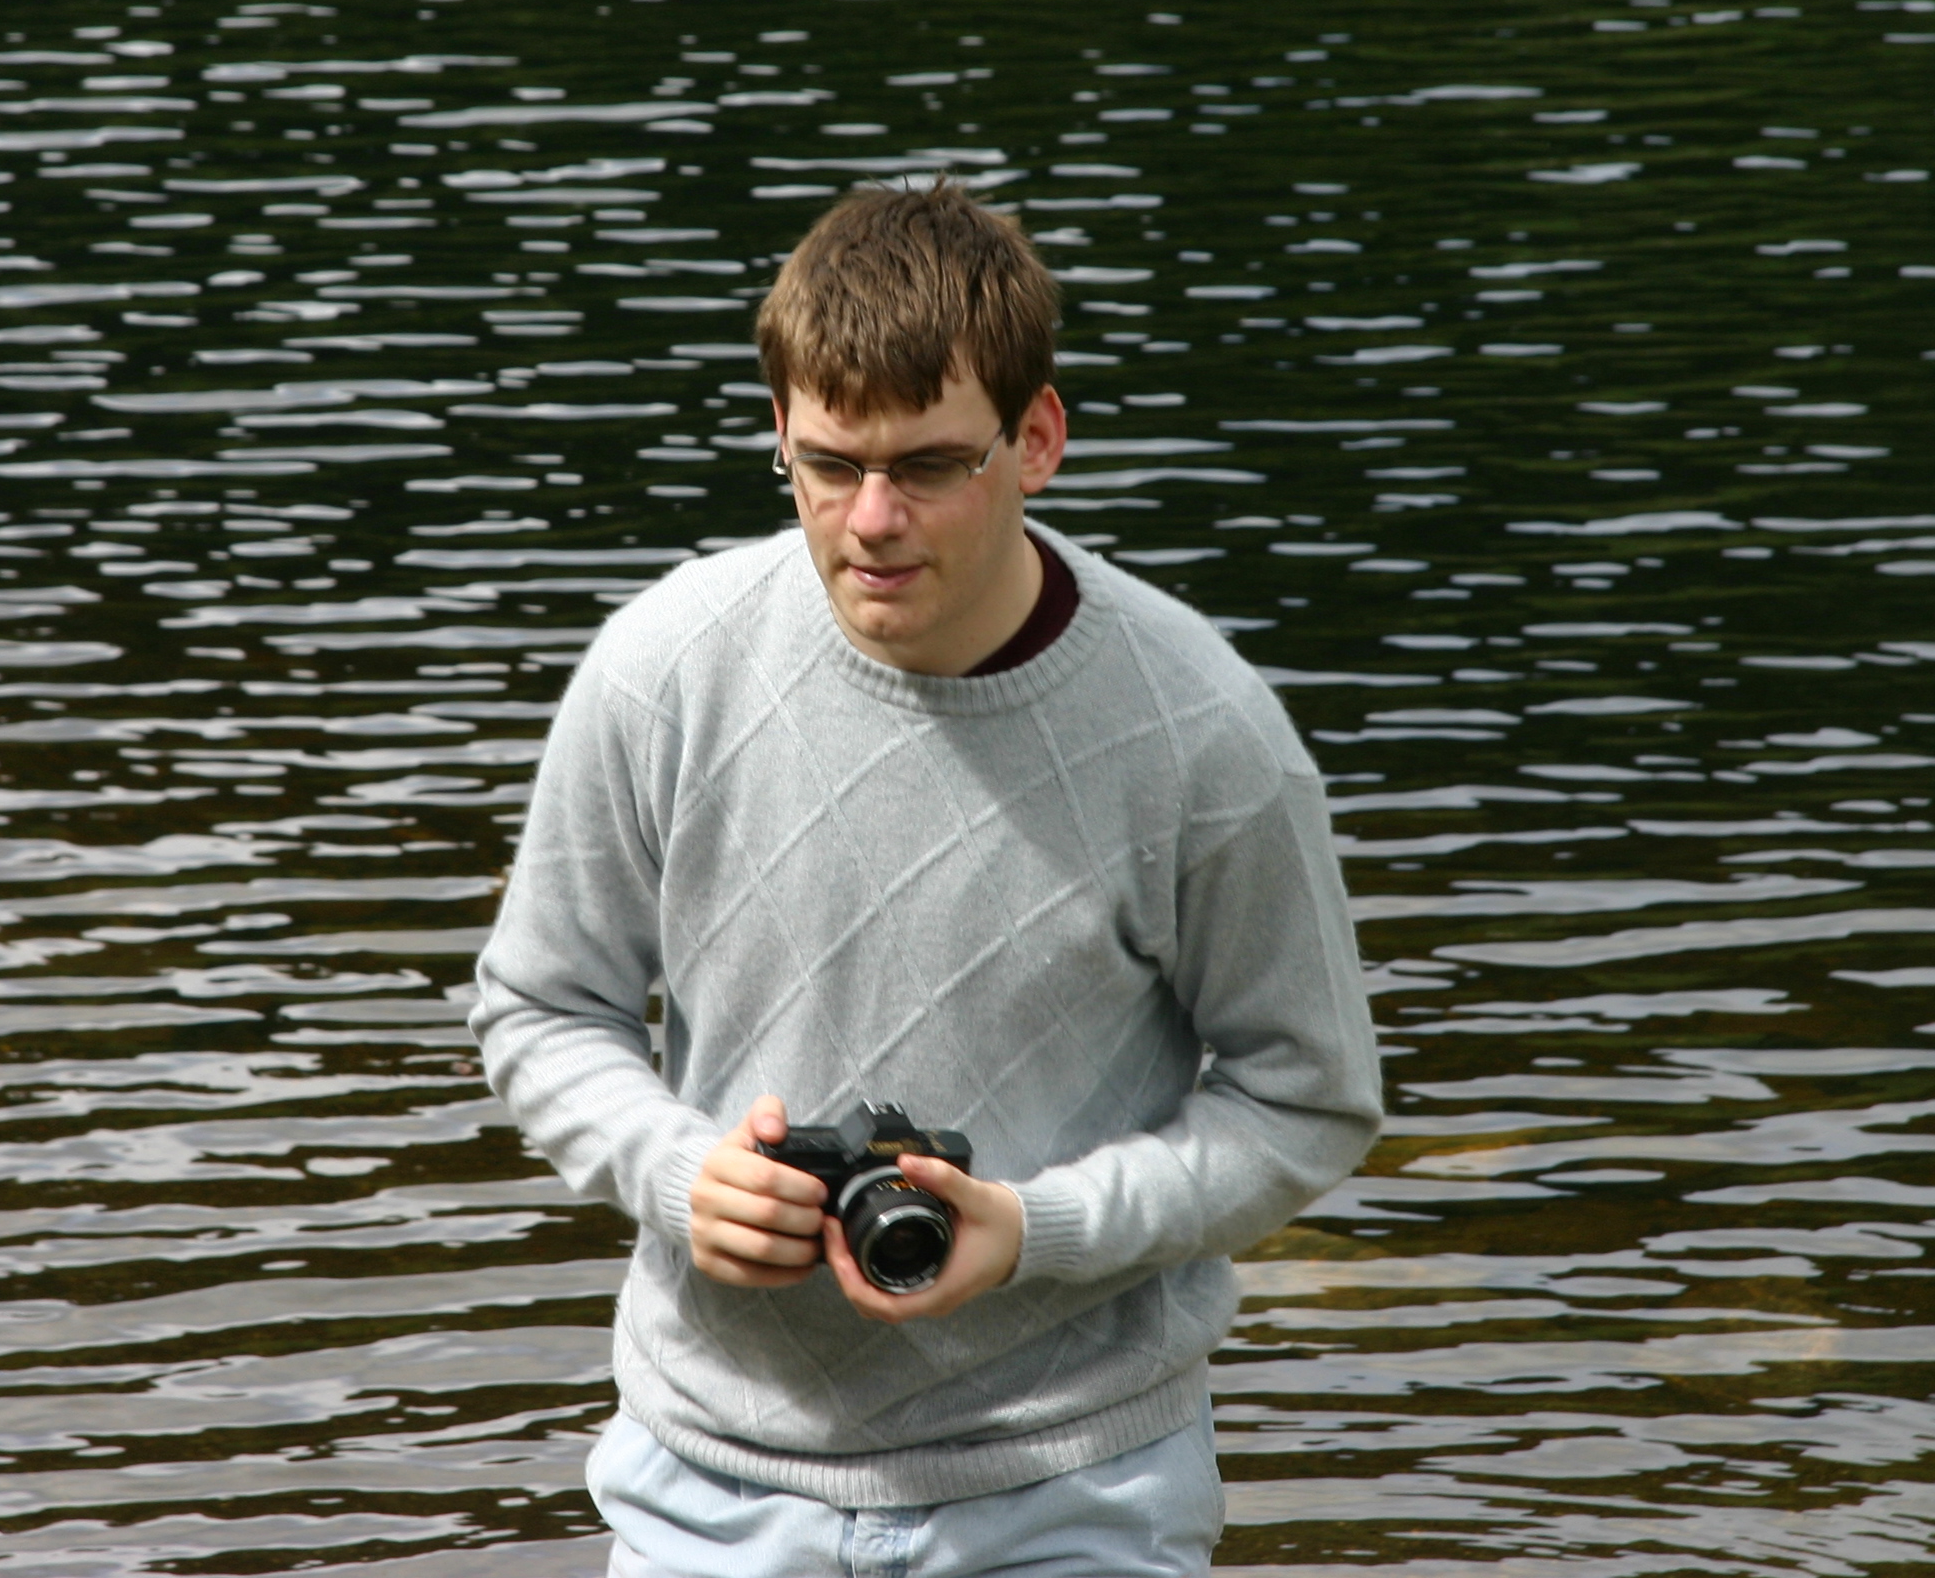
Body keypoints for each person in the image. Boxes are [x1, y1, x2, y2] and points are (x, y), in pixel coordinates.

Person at [470, 182, 1383, 1576]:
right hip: (713, 1482)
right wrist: (678, 1173)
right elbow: (541, 1010)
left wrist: (1033, 1231)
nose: (872, 519)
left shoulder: (1203, 733)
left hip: (1077, 1484)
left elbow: (1307, 1100)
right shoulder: (663, 671)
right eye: (830, 464)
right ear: (779, 431)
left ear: (1038, 439)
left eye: (931, 466)